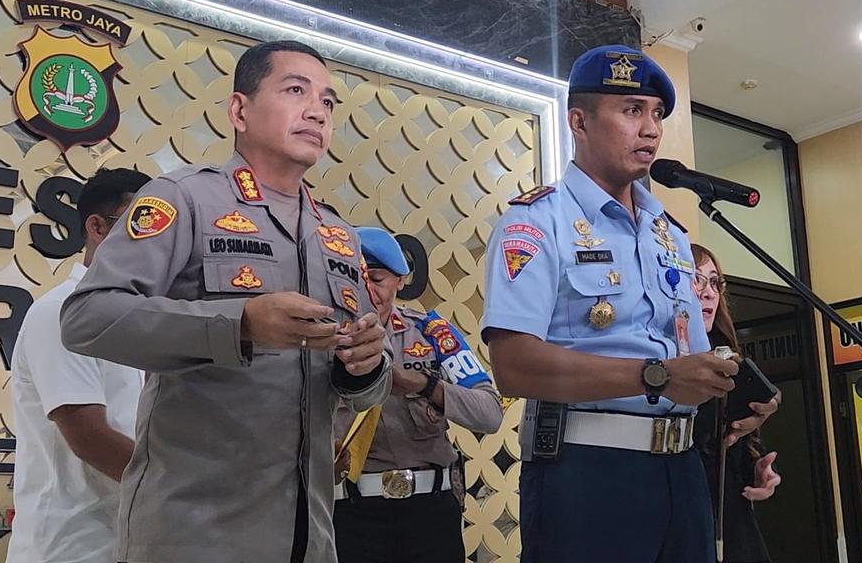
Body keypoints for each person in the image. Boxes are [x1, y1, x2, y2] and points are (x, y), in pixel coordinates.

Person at [61, 40, 392, 563]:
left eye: (328, 102)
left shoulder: (339, 235)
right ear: (239, 109)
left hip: (311, 535)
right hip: (195, 534)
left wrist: (365, 364)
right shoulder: (183, 198)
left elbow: (364, 392)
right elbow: (87, 318)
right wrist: (239, 323)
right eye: (295, 90)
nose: (317, 111)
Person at [481, 44, 739, 563]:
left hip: (684, 466)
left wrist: (731, 393)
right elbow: (512, 367)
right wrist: (656, 377)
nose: (651, 129)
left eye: (657, 113)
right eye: (631, 111)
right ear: (578, 120)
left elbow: (690, 351)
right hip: (588, 471)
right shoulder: (535, 222)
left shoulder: (671, 234)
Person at [332, 227, 504, 563]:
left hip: (429, 511)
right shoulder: (324, 339)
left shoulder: (431, 333)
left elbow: (489, 413)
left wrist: (423, 385)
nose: (366, 290)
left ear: (400, 280)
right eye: (355, 277)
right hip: (351, 510)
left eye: (377, 279)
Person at [8, 168, 150, 563]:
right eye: (144, 223)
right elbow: (90, 437)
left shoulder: (143, 320)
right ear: (97, 227)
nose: (158, 242)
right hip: (71, 546)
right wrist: (185, 496)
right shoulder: (60, 312)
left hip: (132, 539)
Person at [689, 243, 781, 563]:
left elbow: (731, 437)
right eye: (695, 279)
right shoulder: (654, 363)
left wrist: (752, 470)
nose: (708, 293)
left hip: (729, 516)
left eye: (714, 282)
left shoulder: (726, 358)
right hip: (678, 508)